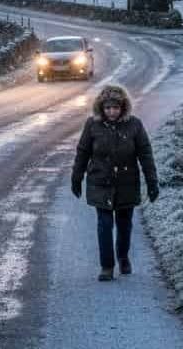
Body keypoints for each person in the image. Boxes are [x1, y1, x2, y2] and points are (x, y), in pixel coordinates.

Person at [70, 84, 159, 281]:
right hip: (100, 182)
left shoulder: (134, 125)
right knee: (104, 224)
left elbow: (145, 154)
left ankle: (123, 256)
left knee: (124, 224)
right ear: (101, 108)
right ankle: (107, 266)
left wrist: (152, 181)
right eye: (108, 108)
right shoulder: (92, 125)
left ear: (123, 107)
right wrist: (77, 178)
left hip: (127, 183)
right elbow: (83, 152)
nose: (112, 111)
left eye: (116, 107)